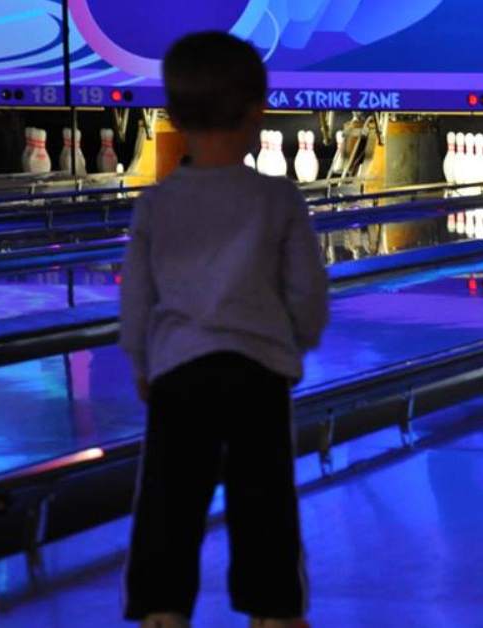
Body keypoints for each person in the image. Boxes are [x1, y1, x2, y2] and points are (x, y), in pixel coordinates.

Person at [119, 31, 328, 628]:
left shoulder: (156, 204)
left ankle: (162, 610)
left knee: (167, 498)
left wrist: (141, 362)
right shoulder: (278, 197)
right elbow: (307, 291)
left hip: (178, 371)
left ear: (176, 115)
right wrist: (297, 343)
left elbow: (137, 295)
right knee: (264, 498)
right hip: (257, 373)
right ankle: (275, 612)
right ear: (258, 112)